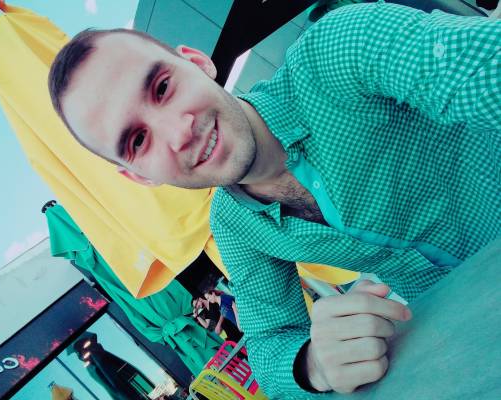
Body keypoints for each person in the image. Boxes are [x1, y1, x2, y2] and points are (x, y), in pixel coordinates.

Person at [48, 2, 500, 398]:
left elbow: (487, 68)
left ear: (198, 63)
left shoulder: (338, 52)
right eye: (138, 141)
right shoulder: (234, 224)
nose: (179, 132)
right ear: (138, 177)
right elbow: (269, 346)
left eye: (162, 87)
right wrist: (314, 364)